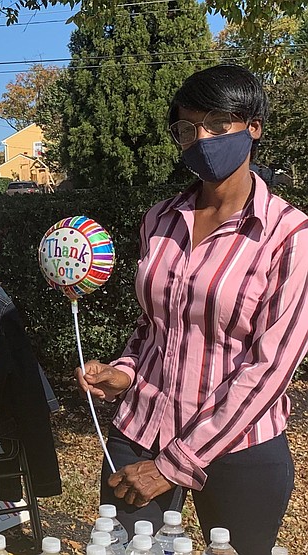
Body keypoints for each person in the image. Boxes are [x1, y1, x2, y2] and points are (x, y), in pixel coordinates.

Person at [75, 64, 308, 555]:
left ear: (253, 127)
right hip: (139, 431)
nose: (202, 138)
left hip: (239, 449)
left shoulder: (289, 236)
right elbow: (153, 323)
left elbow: (270, 370)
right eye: (187, 128)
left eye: (218, 124)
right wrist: (124, 371)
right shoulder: (160, 219)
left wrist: (171, 467)